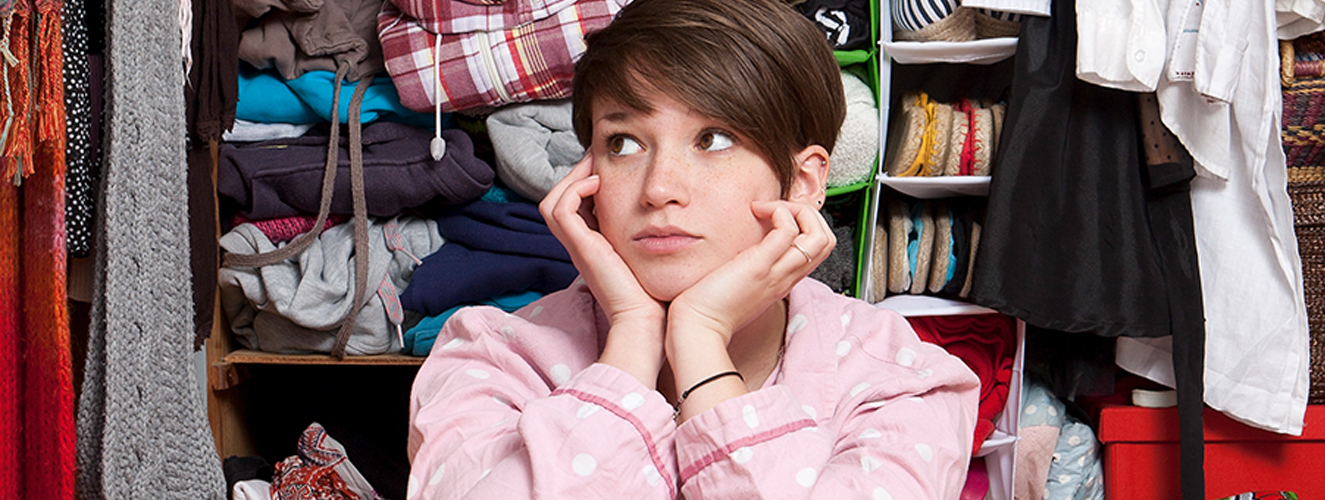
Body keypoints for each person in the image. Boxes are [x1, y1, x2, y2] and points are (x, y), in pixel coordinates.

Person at [405, 0, 980, 498]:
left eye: (714, 139)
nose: (658, 189)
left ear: (802, 182)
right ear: (585, 176)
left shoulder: (900, 381)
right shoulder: (489, 360)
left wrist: (700, 340)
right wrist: (632, 338)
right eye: (624, 143)